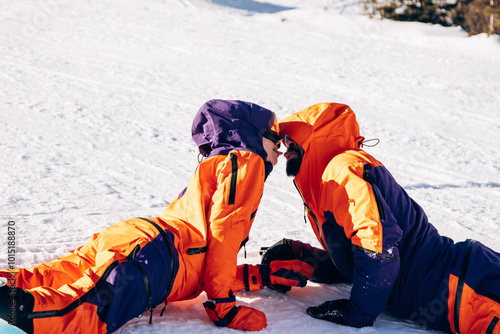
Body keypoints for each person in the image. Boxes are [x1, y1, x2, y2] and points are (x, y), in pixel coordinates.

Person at [0, 99, 314, 334]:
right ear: (252, 135)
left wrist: (252, 276)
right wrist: (223, 306)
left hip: (138, 240)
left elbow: (203, 253)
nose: (281, 149)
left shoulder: (220, 163)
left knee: (41, 277)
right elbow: (223, 236)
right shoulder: (248, 164)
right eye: (276, 139)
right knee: (84, 311)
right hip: (156, 258)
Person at [263, 102, 500, 333]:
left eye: (294, 142)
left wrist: (357, 314)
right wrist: (307, 259)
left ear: (317, 141)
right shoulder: (326, 178)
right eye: (285, 142)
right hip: (455, 281)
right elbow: (362, 255)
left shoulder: (343, 172)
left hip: (466, 289)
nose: (285, 150)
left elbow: (378, 248)